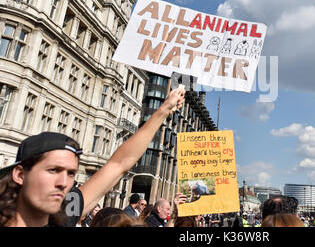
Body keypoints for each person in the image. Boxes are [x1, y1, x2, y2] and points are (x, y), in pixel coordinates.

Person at [0, 87, 185, 227]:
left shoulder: (65, 212)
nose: (64, 182)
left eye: (71, 173)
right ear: (20, 174)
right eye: (53, 170)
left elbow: (119, 164)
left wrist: (163, 111)